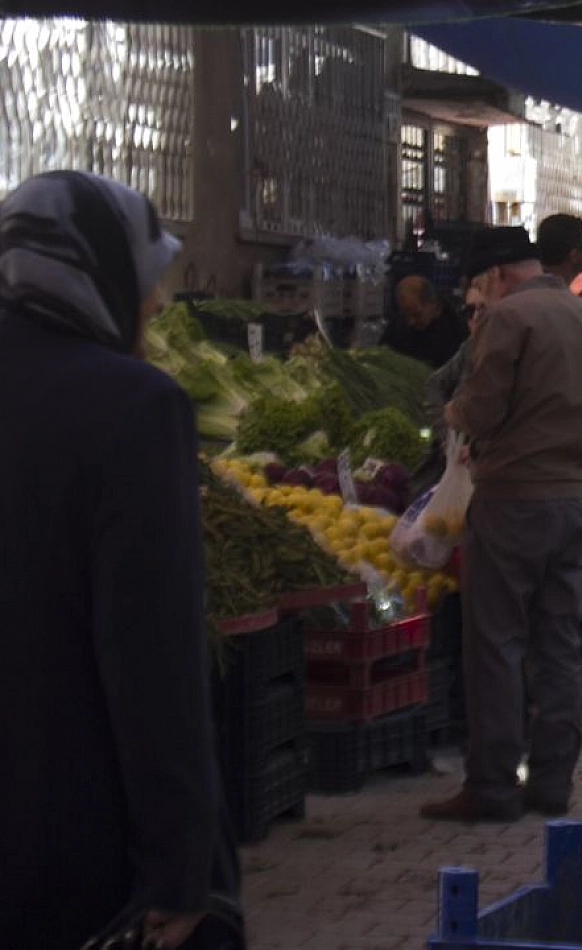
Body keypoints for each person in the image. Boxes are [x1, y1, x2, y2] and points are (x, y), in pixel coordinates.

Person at [0, 171, 236, 949]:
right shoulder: (130, 408)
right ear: (93, 274)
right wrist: (179, 866)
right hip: (73, 842)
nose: (157, 303)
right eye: (146, 279)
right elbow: (152, 655)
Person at [423, 225, 582, 822]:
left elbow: (480, 411)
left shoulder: (507, 321)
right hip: (571, 505)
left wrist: (453, 410)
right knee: (559, 644)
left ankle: (490, 785)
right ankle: (552, 782)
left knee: (497, 645)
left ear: (493, 277)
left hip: (510, 501)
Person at [424, 278, 486, 428]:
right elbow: (434, 384)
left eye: (483, 309)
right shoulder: (469, 347)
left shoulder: (507, 350)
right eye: (469, 311)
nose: (475, 318)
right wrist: (445, 430)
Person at [381, 273, 468, 368]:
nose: (410, 322)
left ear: (433, 303)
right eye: (405, 315)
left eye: (416, 315)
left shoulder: (457, 328)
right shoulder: (397, 324)